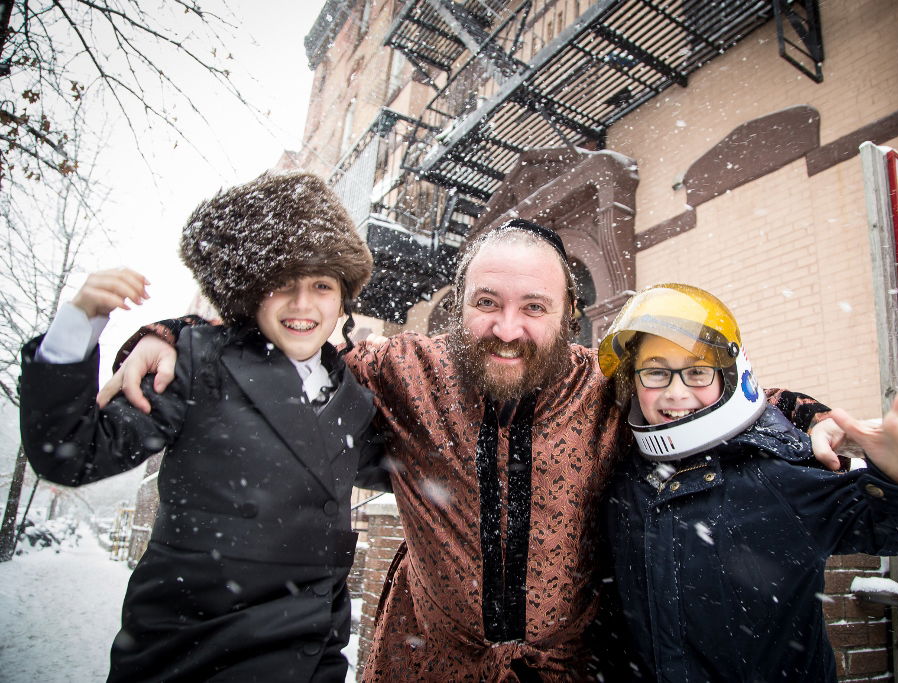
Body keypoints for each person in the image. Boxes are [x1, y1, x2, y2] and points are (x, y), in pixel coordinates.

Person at [104, 220, 842, 680]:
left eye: (533, 307)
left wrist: (809, 416)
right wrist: (178, 334)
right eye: (487, 302)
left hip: (571, 670)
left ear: (571, 317)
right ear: (459, 305)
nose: (507, 327)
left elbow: (705, 394)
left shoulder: (604, 390)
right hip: (424, 664)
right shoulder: (403, 371)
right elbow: (294, 349)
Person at [19, 171, 388, 682]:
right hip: (191, 655)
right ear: (251, 292)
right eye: (282, 283)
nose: (303, 305)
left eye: (322, 285)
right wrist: (79, 324)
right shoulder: (196, 363)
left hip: (311, 662)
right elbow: (69, 453)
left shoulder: (355, 398)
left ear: (343, 299)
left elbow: (412, 471)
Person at [596, 283, 898, 681]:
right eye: (655, 372)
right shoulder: (625, 482)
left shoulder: (777, 471)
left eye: (697, 370)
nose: (675, 391)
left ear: (729, 375)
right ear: (632, 381)